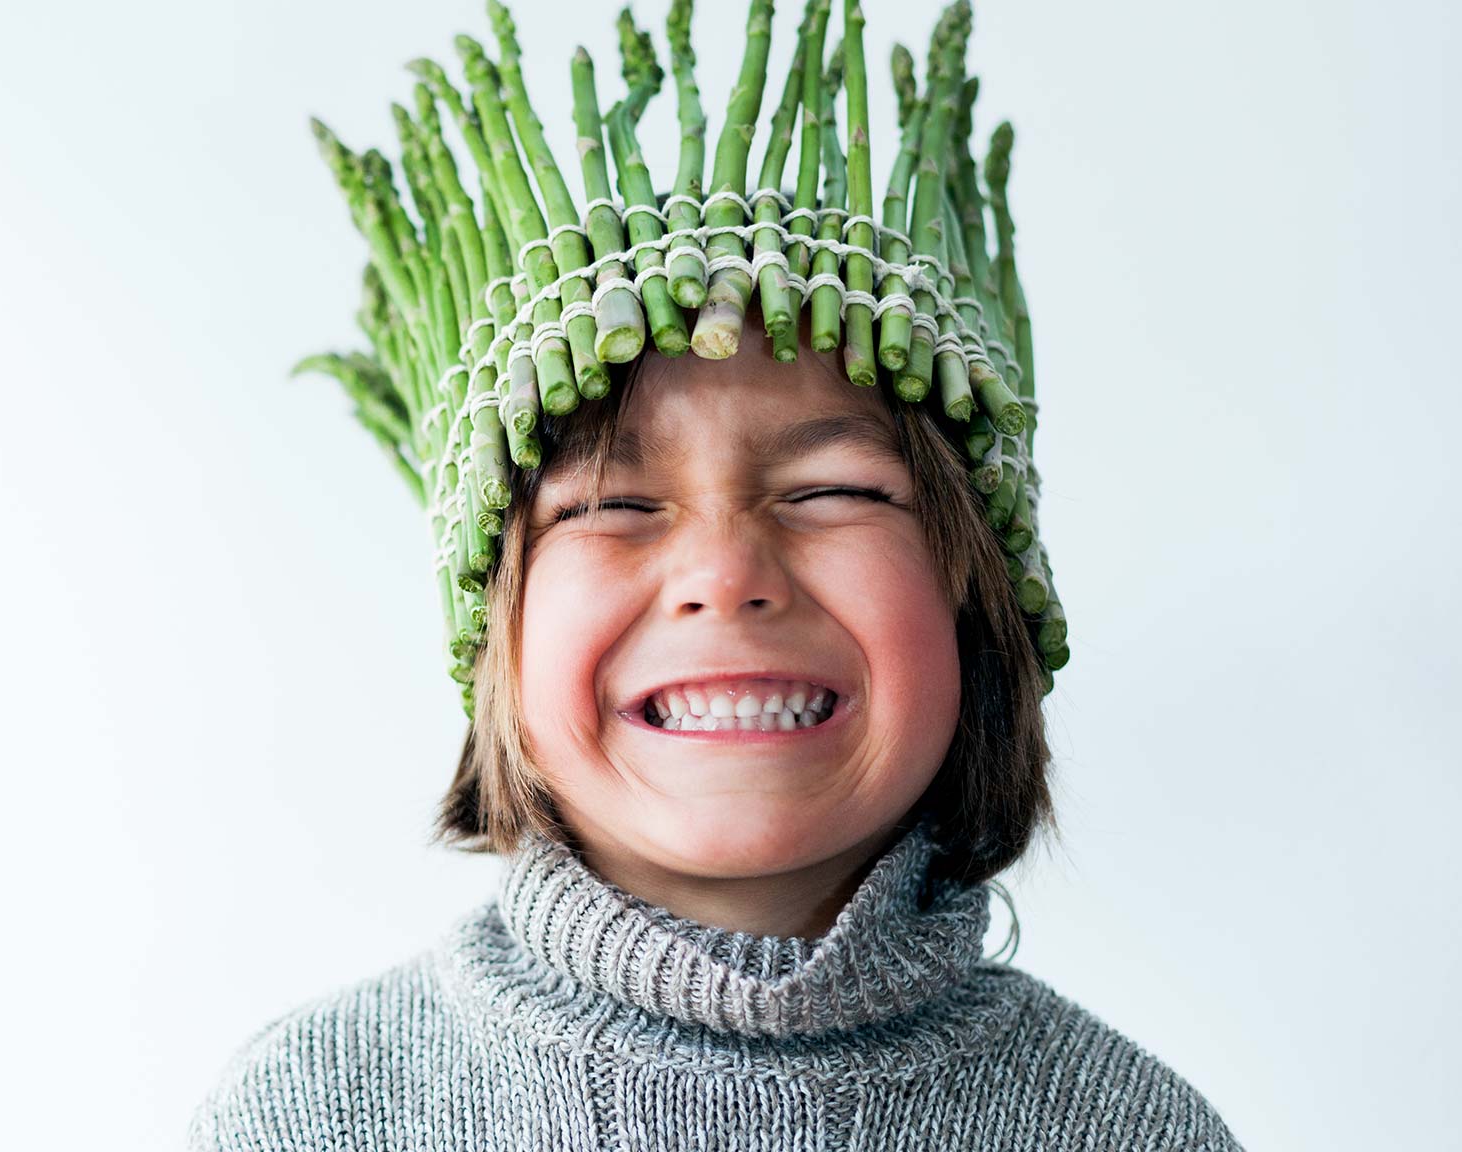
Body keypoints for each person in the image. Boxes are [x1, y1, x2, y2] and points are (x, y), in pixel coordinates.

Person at [190, 2, 1244, 1147]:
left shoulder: (1131, 1130)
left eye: (834, 493)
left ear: (975, 599)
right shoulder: (316, 1114)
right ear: (495, 636)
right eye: (612, 505)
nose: (726, 573)